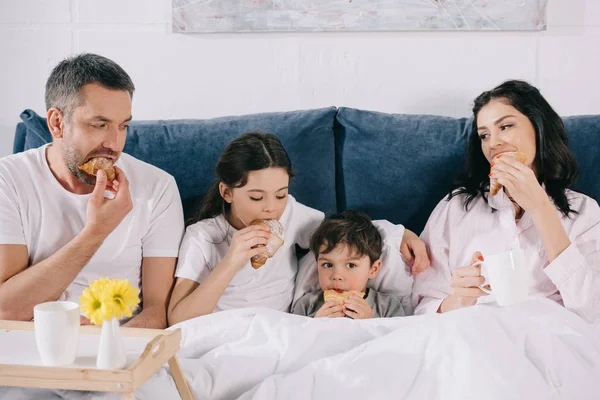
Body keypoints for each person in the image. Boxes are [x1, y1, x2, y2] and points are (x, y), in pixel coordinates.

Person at [0, 53, 184, 328]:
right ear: (57, 123)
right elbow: (6, 311)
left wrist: (110, 343)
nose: (114, 143)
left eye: (123, 126)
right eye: (99, 125)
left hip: (121, 345)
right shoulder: (8, 180)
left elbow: (158, 312)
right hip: (34, 342)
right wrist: (96, 231)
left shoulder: (157, 187)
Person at [167, 133, 428, 325]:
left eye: (280, 195)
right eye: (256, 198)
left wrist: (400, 234)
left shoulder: (292, 214)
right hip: (226, 332)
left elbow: (340, 235)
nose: (271, 209)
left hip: (285, 331)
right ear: (227, 192)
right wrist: (231, 261)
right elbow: (178, 318)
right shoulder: (203, 237)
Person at [413, 80, 600, 324]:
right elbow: (419, 309)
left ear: (538, 127)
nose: (493, 143)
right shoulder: (457, 207)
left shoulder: (584, 211)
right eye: (484, 135)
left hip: (549, 339)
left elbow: (593, 311)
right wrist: (458, 300)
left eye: (506, 126)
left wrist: (541, 208)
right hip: (469, 334)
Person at [292, 210, 408, 319]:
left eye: (351, 265)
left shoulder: (388, 307)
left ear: (373, 269)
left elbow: (399, 339)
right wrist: (314, 326)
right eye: (328, 265)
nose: (336, 275)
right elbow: (291, 339)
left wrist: (371, 324)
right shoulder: (307, 305)